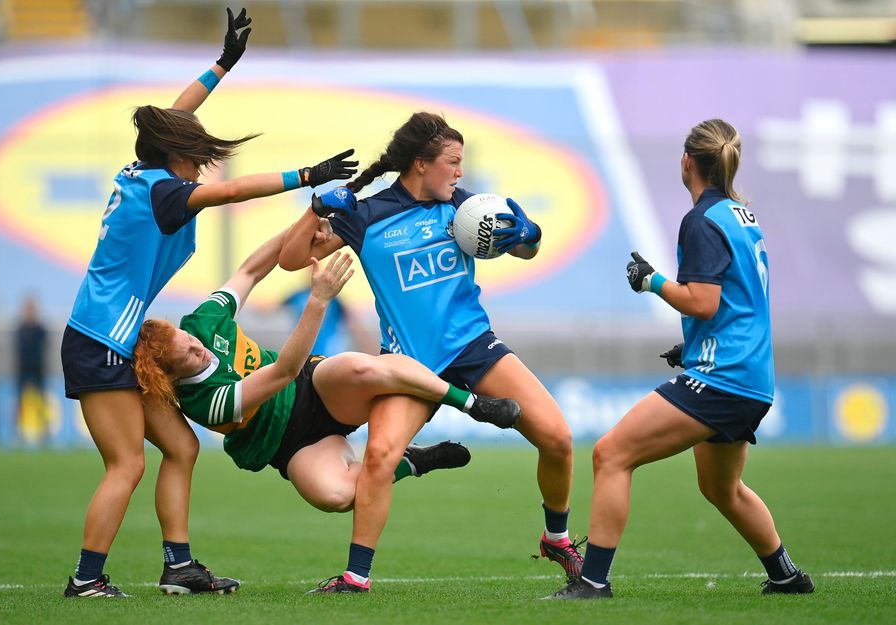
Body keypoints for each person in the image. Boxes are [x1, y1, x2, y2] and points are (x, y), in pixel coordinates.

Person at [60, 7, 358, 599]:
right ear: (174, 157)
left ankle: (178, 567)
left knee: (182, 445)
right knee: (127, 465)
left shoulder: (143, 170)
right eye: (194, 154)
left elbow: (174, 118)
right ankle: (87, 580)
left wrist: (223, 63)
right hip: (101, 343)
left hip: (110, 338)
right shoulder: (170, 193)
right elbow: (232, 190)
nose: (201, 160)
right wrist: (307, 175)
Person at [278, 112, 580, 594]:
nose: (460, 172)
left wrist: (529, 234)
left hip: (475, 348)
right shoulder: (367, 215)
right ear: (421, 163)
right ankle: (356, 577)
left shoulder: (466, 209)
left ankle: (557, 538)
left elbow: (523, 249)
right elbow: (291, 259)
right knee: (378, 455)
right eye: (452, 162)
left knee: (559, 439)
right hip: (408, 365)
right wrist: (315, 208)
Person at [132, 233, 520, 570]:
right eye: (188, 356)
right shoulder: (203, 402)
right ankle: (412, 462)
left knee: (363, 368)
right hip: (287, 443)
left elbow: (250, 270)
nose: (197, 347)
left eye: (190, 341)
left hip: (312, 387)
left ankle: (471, 404)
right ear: (171, 376)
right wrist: (318, 299)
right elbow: (282, 369)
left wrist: (304, 220)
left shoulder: (200, 322)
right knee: (336, 496)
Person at [547, 119, 814, 600]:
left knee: (611, 454)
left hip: (723, 377)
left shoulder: (702, 219)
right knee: (721, 489)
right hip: (748, 374)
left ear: (687, 161)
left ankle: (592, 582)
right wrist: (691, 347)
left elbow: (703, 302)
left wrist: (650, 280)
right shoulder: (741, 214)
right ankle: (787, 576)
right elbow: (738, 303)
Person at [15, 295, 49, 444]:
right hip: (23, 369)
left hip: (38, 368)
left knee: (41, 400)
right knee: (20, 401)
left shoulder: (40, 329)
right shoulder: (20, 329)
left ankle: (44, 432)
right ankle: (19, 432)